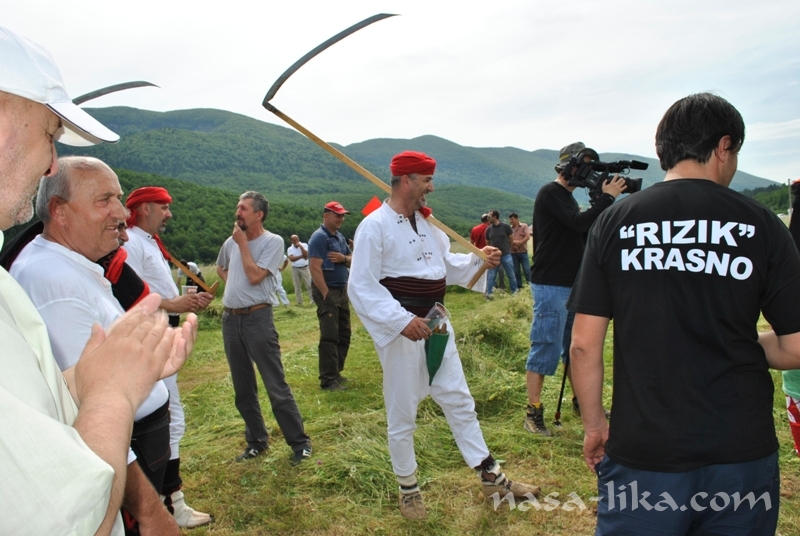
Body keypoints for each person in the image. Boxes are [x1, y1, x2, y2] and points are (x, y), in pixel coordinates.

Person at [568, 93, 800, 535]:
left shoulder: (616, 222)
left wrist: (595, 425)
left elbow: (583, 345)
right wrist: (738, 342)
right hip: (740, 453)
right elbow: (796, 346)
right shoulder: (762, 224)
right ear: (724, 147)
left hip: (645, 452)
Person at [0, 26, 195, 536]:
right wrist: (111, 391)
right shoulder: (48, 275)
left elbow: (34, 401)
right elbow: (63, 515)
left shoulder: (71, 264)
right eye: (50, 135)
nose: (50, 162)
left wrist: (104, 371)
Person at [348, 150, 539, 520]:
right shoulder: (374, 227)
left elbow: (445, 267)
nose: (431, 188)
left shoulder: (429, 225)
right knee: (403, 411)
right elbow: (362, 286)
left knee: (459, 399)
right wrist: (401, 320)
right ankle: (408, 489)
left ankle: (491, 477)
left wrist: (479, 259)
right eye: (426, 180)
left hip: (437, 325)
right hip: (403, 333)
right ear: (406, 181)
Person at [10, 157, 182, 535]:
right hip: (126, 455)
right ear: (59, 211)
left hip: (138, 440)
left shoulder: (69, 261)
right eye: (105, 200)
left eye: (118, 198)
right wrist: (150, 512)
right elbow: (90, 414)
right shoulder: (53, 280)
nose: (121, 213)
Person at [124, 186, 213, 528]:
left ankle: (169, 499)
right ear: (144, 208)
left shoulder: (147, 242)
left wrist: (183, 302)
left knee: (170, 416)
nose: (169, 214)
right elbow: (129, 291)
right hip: (151, 336)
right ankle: (168, 503)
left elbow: (152, 289)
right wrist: (173, 303)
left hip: (163, 331)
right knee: (166, 418)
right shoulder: (132, 242)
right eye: (164, 207)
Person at [524, 142, 625, 436]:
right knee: (545, 345)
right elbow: (578, 223)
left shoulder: (567, 198)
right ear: (569, 166)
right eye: (584, 167)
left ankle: (582, 402)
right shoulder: (550, 192)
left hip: (572, 283)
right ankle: (533, 412)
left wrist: (601, 203)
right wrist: (606, 199)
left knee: (575, 349)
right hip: (551, 283)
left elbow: (584, 230)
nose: (587, 174)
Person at [215, 191, 312, 464]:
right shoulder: (230, 242)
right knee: (243, 387)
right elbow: (221, 267)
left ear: (259, 214)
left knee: (275, 384)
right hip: (230, 320)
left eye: (243, 209)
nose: (238, 212)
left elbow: (255, 276)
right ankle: (256, 441)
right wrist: (233, 286)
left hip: (258, 318)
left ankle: (300, 443)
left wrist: (243, 245)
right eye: (238, 207)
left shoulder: (272, 242)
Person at [308, 201, 353, 391]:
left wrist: (343, 259)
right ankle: (328, 379)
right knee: (330, 335)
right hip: (328, 291)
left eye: (342, 215)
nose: (341, 219)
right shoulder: (319, 238)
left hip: (342, 291)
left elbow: (352, 260)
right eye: (337, 215)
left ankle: (336, 372)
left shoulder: (340, 237)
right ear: (326, 216)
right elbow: (314, 268)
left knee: (344, 333)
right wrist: (326, 294)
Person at [484, 210, 518, 297]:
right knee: (491, 276)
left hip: (506, 255)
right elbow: (487, 243)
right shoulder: (488, 229)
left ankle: (515, 293)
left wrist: (508, 248)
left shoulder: (506, 227)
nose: (488, 218)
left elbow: (511, 238)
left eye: (489, 217)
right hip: (494, 257)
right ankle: (489, 295)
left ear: (495, 217)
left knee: (511, 274)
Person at [287, 234, 313, 305]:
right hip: (295, 268)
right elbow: (291, 259)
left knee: (309, 285)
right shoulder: (290, 249)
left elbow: (306, 255)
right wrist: (302, 256)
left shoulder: (304, 245)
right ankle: (299, 302)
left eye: (297, 239)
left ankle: (312, 300)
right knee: (297, 286)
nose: (296, 241)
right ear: (291, 241)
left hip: (304, 268)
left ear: (298, 239)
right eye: (294, 240)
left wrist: (300, 246)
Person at [508, 212, 531, 289]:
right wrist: (515, 244)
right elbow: (507, 239)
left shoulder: (524, 226)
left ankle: (530, 285)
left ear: (517, 219)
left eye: (512, 219)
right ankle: (519, 287)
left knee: (527, 270)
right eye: (510, 219)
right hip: (513, 253)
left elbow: (527, 236)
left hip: (523, 252)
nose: (511, 221)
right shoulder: (509, 228)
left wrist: (519, 243)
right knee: (516, 271)